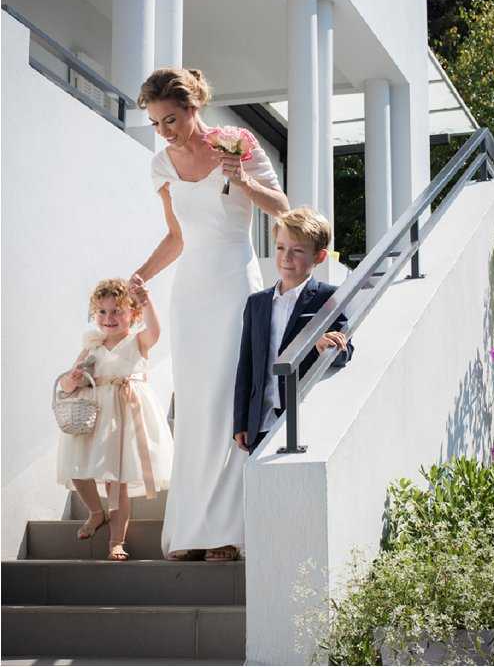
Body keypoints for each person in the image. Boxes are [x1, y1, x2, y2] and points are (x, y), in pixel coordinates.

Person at [133, 68, 289, 561]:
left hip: (234, 285)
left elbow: (282, 209)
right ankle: (191, 529)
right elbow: (177, 238)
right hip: (191, 294)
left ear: (195, 106)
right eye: (157, 123)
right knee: (198, 407)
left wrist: (241, 178)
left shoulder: (236, 143)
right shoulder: (161, 166)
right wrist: (141, 276)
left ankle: (226, 532)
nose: (166, 131)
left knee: (229, 403)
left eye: (172, 119)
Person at [56, 278, 173, 561]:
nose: (109, 318)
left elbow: (155, 332)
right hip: (95, 418)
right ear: (94, 315)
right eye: (103, 312)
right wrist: (72, 381)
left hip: (125, 416)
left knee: (116, 481)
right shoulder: (92, 347)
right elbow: (68, 384)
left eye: (117, 311)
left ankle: (116, 541)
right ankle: (96, 512)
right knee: (77, 468)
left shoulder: (137, 341)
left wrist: (146, 300)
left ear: (132, 314)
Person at [233, 207, 354, 455]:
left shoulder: (329, 297)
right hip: (260, 421)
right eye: (280, 248)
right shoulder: (256, 303)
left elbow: (345, 351)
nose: (286, 257)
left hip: (301, 418)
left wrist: (325, 347)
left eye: (297, 250)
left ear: (319, 257)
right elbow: (246, 365)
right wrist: (241, 421)